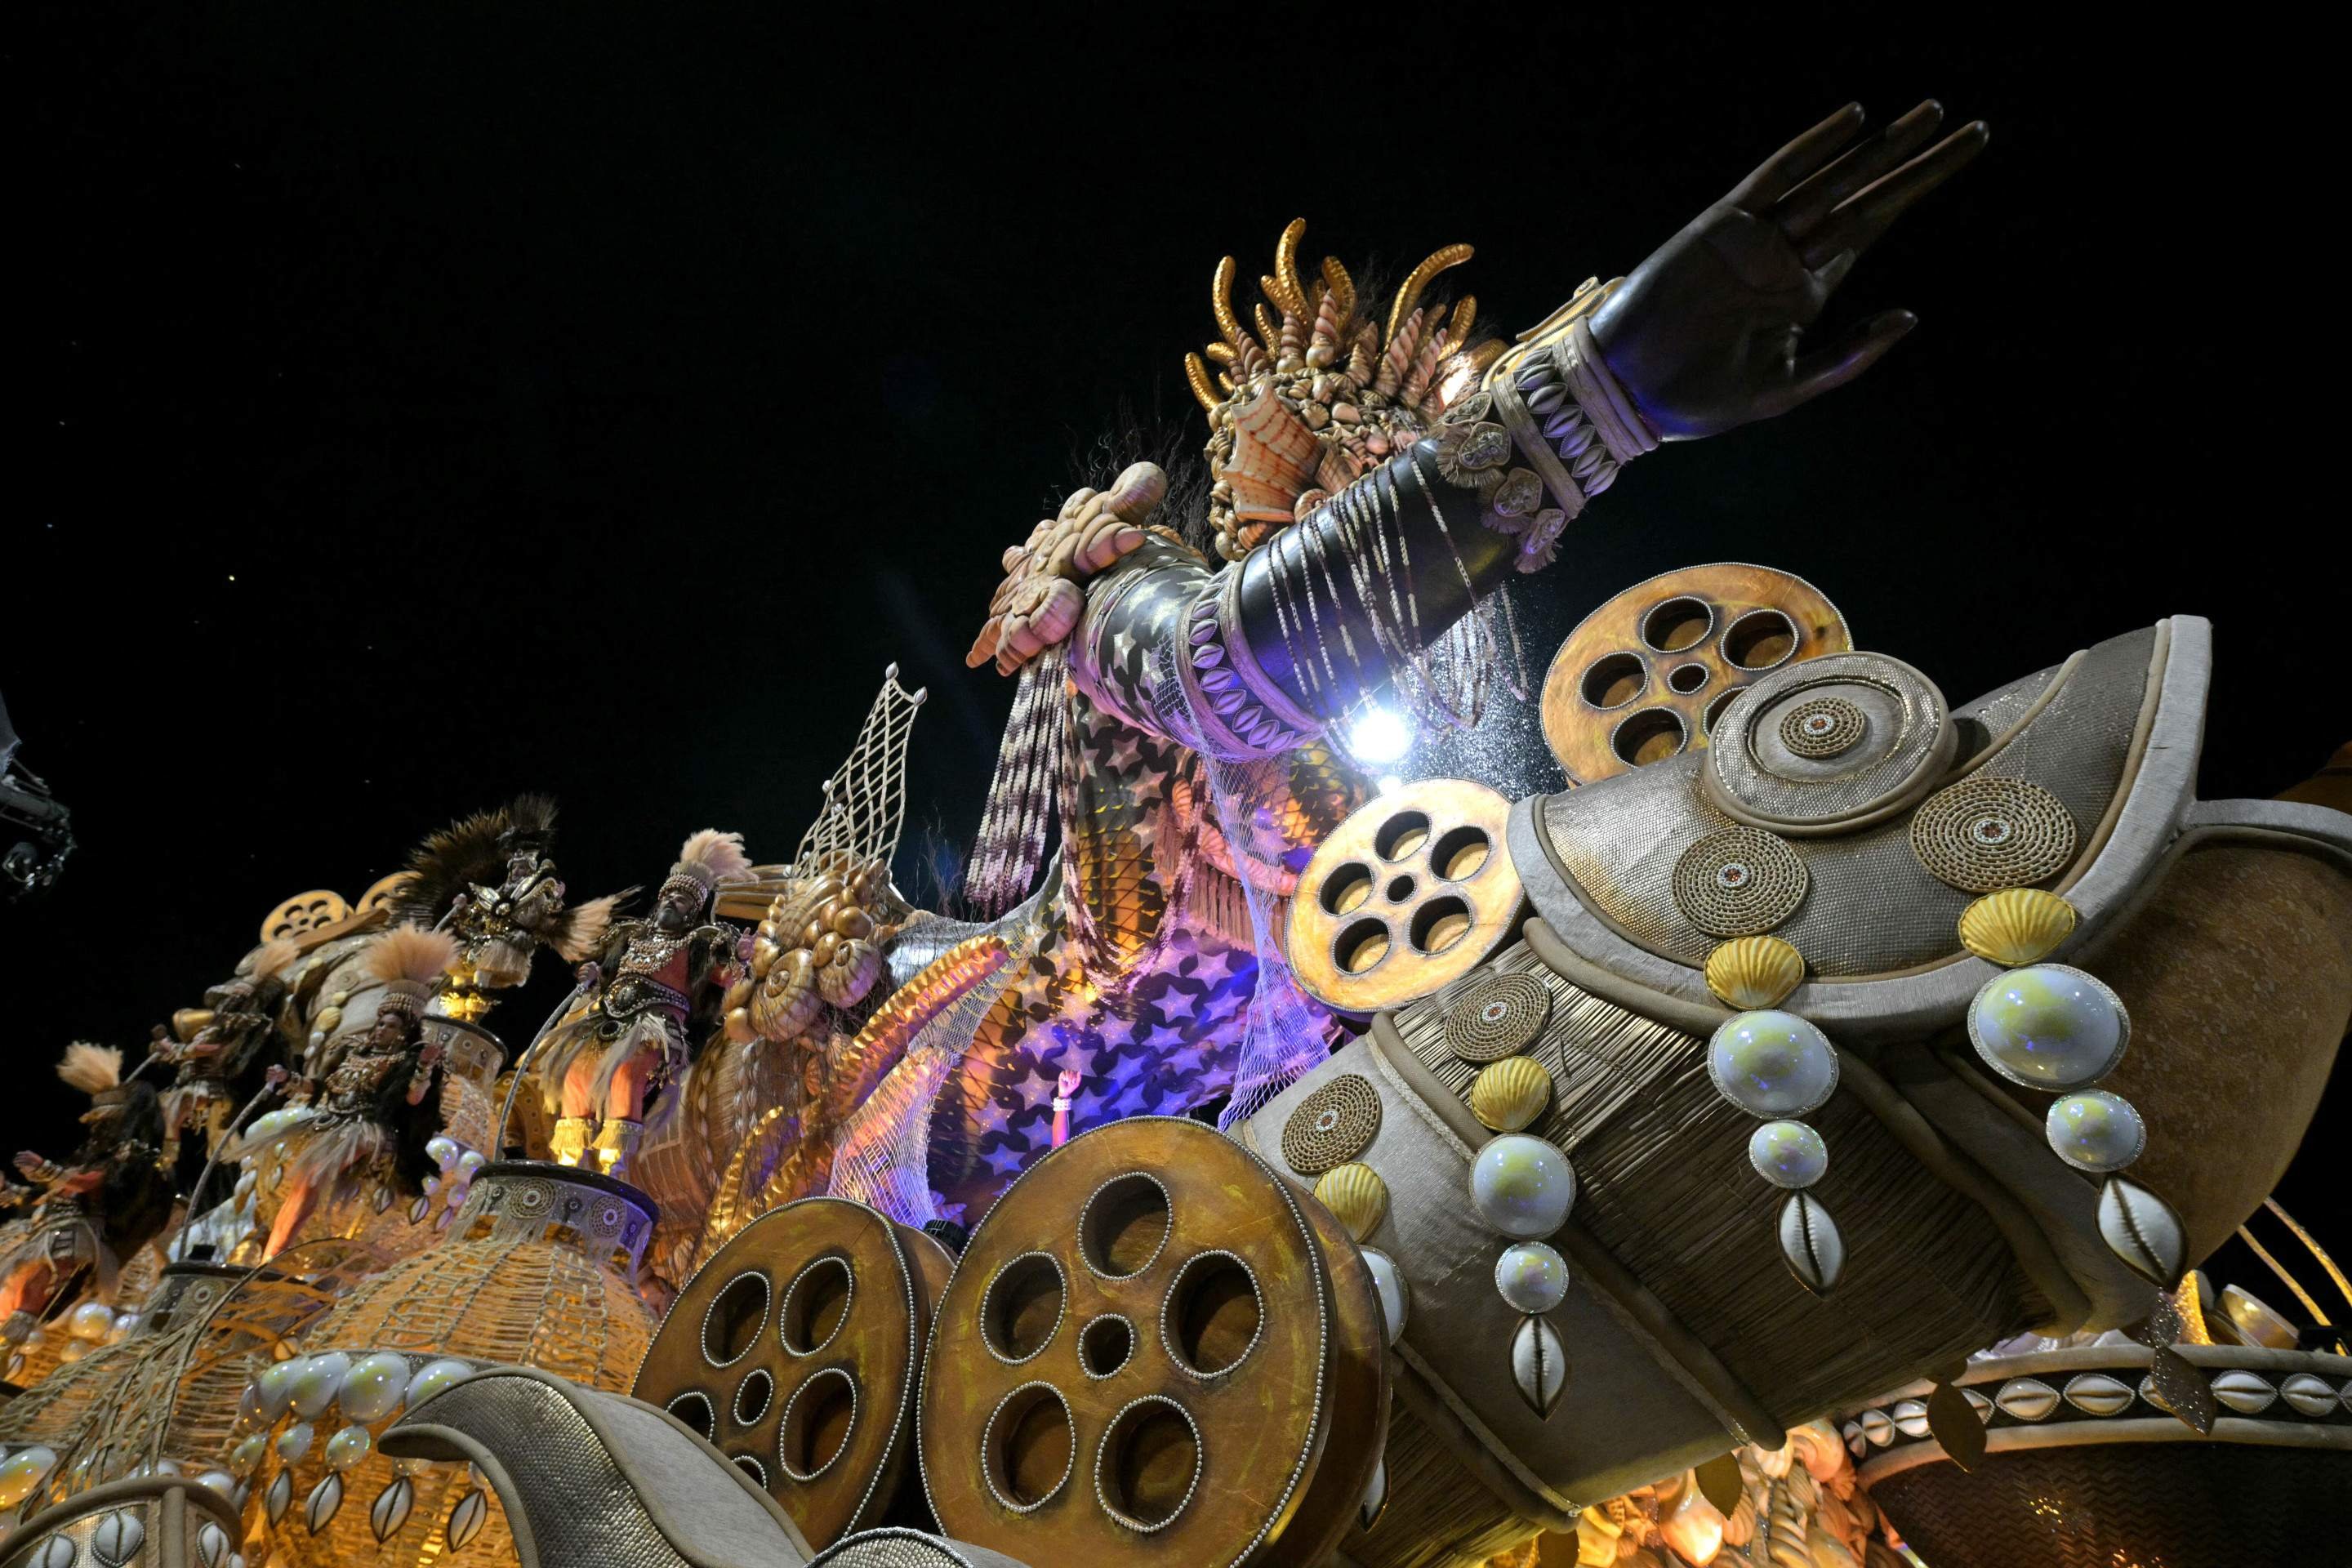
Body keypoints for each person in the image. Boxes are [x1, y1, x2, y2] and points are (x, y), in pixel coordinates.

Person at [537, 829, 750, 1178]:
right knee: (576, 1070)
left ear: (692, 912)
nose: (671, 902)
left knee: (627, 1071)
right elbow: (605, 973)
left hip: (654, 1026)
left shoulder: (698, 944)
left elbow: (727, 979)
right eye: (668, 896)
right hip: (607, 1017)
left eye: (682, 900)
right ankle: (571, 1156)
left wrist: (739, 960)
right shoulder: (630, 937)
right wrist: (590, 972)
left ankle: (613, 1158)